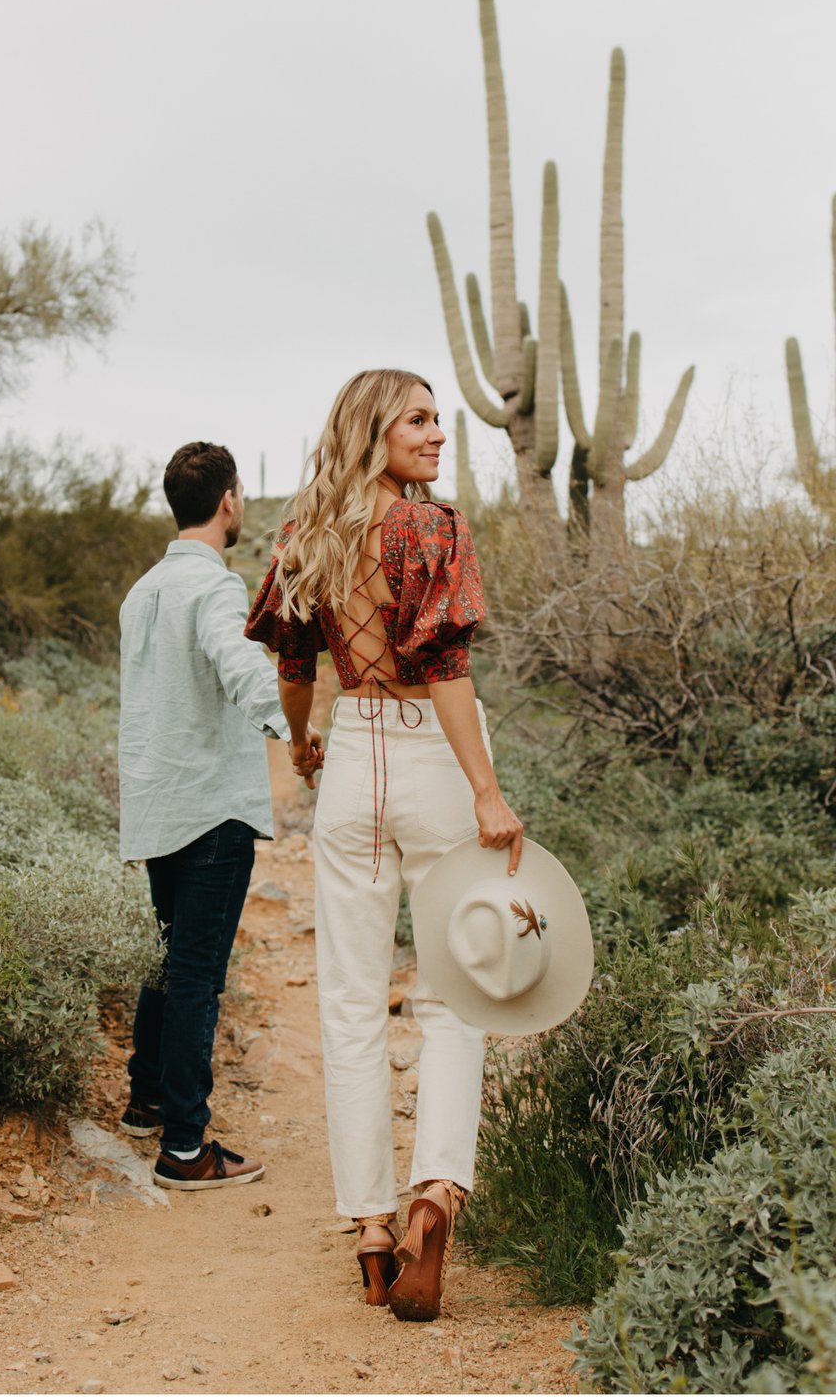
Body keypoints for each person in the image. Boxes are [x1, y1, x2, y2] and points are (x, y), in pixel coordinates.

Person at [245, 370, 523, 1318]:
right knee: (451, 996)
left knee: (352, 1004)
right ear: (376, 430)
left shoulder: (305, 534)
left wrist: (305, 741)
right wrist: (486, 790)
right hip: (431, 760)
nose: (439, 434)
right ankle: (434, 1193)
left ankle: (368, 1227)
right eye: (418, 420)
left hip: (352, 751)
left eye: (441, 419)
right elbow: (446, 668)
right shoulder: (429, 528)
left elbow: (290, 663)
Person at [118, 440, 322, 1191]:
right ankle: (182, 1147)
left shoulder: (142, 591)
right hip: (209, 809)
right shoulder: (215, 587)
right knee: (197, 973)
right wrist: (294, 730)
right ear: (230, 501)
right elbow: (236, 664)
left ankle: (146, 1100)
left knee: (167, 961)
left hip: (156, 800)